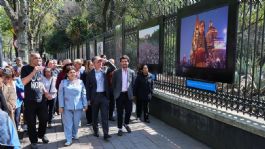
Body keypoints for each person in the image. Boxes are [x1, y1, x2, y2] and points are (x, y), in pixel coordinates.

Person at [21, 52, 50, 149]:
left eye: (39, 58)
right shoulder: (25, 68)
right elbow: (24, 82)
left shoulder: (40, 69)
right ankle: (33, 141)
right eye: (37, 58)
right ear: (31, 59)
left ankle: (41, 135)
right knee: (31, 122)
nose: (39, 60)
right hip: (29, 100)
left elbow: (40, 82)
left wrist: (45, 92)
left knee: (44, 119)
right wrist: (34, 71)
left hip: (41, 99)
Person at [86, 56, 115, 141]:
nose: (100, 63)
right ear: (94, 63)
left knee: (104, 116)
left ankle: (106, 134)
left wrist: (107, 61)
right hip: (94, 97)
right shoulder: (90, 74)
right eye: (98, 62)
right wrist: (88, 99)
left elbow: (113, 67)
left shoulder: (105, 71)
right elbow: (87, 88)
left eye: (100, 61)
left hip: (104, 97)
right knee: (94, 116)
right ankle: (96, 131)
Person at [58, 65, 87, 146]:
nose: (72, 74)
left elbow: (83, 93)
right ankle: (68, 139)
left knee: (76, 122)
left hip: (78, 106)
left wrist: (85, 104)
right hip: (67, 107)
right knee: (68, 124)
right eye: (70, 72)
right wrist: (61, 106)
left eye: (74, 72)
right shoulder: (63, 82)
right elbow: (60, 94)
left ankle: (74, 134)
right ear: (67, 74)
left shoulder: (80, 82)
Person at [112, 55, 136, 136]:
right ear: (120, 63)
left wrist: (133, 94)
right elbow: (113, 84)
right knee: (120, 112)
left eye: (126, 61)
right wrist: (115, 94)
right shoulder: (116, 72)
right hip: (119, 95)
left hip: (128, 95)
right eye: (123, 61)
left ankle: (126, 124)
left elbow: (133, 84)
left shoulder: (132, 72)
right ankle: (119, 128)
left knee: (129, 111)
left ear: (128, 62)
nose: (124, 63)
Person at [81, 60, 94, 125]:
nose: (92, 66)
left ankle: (94, 120)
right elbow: (82, 83)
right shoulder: (85, 73)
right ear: (88, 66)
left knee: (93, 106)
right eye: (91, 65)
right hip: (87, 92)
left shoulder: (95, 72)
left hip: (94, 92)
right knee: (88, 106)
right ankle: (89, 120)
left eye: (93, 65)